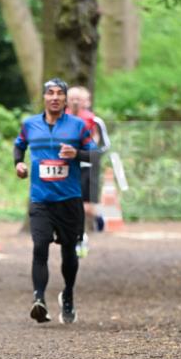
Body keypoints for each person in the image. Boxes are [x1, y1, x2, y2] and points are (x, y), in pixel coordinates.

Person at [14, 78, 96, 324]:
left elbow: (95, 153)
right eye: (50, 93)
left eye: (60, 93)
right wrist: (18, 163)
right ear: (44, 97)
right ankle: (38, 299)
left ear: (65, 99)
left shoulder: (78, 126)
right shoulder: (29, 125)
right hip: (40, 200)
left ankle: (68, 294)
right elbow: (19, 146)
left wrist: (77, 154)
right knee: (40, 247)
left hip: (69, 199)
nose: (55, 97)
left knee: (69, 252)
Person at [67, 85, 111, 245]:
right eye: (73, 99)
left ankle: (98, 217)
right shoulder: (60, 118)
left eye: (81, 99)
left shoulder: (94, 121)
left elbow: (105, 145)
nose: (78, 102)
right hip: (68, 168)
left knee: (87, 207)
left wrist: (90, 153)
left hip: (88, 167)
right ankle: (78, 236)